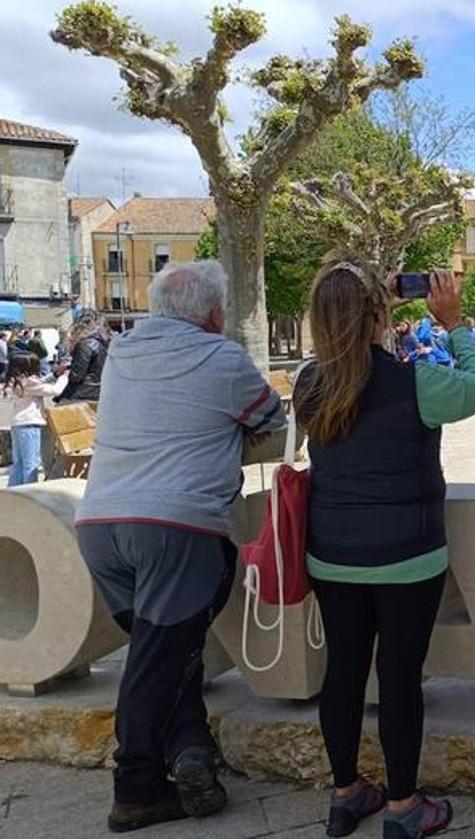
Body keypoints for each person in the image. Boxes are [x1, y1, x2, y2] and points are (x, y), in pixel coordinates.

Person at [75, 262, 287, 832]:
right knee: (154, 663)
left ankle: (190, 748)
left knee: (162, 650)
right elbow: (271, 419)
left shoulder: (121, 351)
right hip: (177, 526)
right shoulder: (221, 357)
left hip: (98, 524)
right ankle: (136, 788)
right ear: (215, 313)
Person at [294, 265, 475, 839]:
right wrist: (452, 324)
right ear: (381, 314)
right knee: (399, 675)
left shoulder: (309, 384)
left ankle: (345, 794)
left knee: (344, 671)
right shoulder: (416, 382)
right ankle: (405, 807)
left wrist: (370, 317)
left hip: (332, 554)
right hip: (409, 555)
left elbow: (348, 371)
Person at [4, 352, 60, 486]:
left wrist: (54, 375)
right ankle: (29, 492)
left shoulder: (16, 381)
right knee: (31, 463)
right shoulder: (29, 382)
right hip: (30, 425)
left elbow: (40, 383)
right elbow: (55, 390)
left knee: (19, 463)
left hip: (18, 425)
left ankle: (13, 493)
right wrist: (64, 377)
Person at [56, 308, 109, 404]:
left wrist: (64, 372)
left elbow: (76, 376)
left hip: (83, 393)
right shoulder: (102, 343)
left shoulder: (85, 344)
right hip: (98, 391)